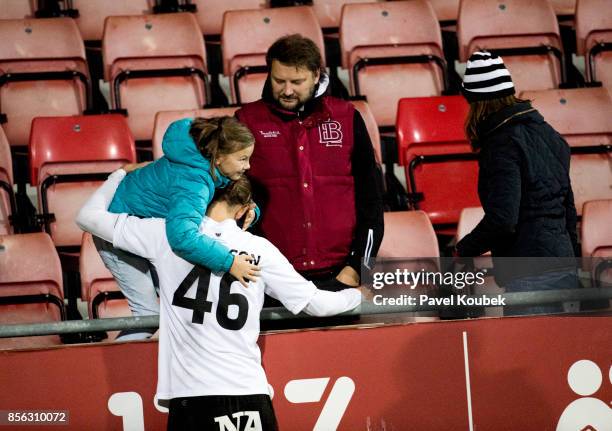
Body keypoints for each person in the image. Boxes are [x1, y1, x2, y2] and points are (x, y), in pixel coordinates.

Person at [76, 171, 363, 431]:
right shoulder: (259, 248)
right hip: (249, 394)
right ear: (245, 208)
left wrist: (117, 176)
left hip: (191, 397)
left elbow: (88, 217)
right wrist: (358, 295)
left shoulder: (166, 235)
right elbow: (317, 304)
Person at [236, 34, 384, 292]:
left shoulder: (347, 117)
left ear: (316, 75)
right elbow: (231, 203)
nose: (287, 90)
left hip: (340, 276)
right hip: (272, 281)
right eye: (279, 80)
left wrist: (358, 269)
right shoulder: (247, 121)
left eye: (297, 81)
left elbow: (371, 200)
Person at [95, 116, 260, 340]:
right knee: (147, 315)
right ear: (219, 158)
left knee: (181, 307)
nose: (248, 166)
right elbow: (182, 237)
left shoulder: (203, 158)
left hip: (143, 227)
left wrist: (250, 208)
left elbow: (227, 191)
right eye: (242, 159)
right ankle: (123, 371)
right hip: (117, 234)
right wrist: (230, 262)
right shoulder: (193, 182)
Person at [455, 51, 579, 315]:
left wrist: (464, 248)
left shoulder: (502, 143)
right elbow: (568, 207)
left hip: (529, 272)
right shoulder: (547, 133)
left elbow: (503, 219)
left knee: (530, 354)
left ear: (476, 102)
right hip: (563, 265)